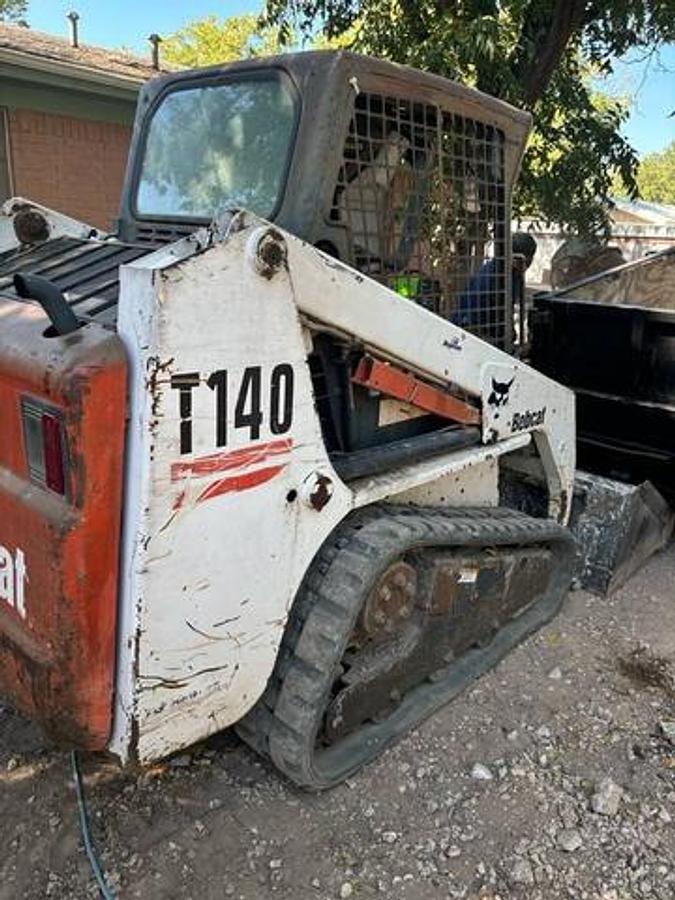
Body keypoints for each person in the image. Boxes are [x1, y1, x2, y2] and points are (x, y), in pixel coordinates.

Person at [453, 232, 537, 329]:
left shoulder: (508, 271)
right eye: (530, 257)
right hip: (472, 327)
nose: (530, 262)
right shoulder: (499, 276)